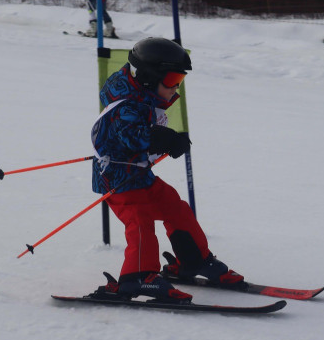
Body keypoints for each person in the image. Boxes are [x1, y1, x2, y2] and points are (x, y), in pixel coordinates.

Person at [88, 37, 244, 301]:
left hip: (138, 174)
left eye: (179, 81)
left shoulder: (142, 94)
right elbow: (132, 135)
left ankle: (193, 260)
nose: (176, 89)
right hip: (117, 181)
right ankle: (137, 277)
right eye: (171, 80)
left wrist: (169, 140)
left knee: (175, 207)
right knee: (139, 221)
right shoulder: (126, 105)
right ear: (149, 78)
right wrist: (165, 138)